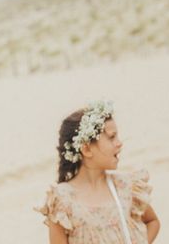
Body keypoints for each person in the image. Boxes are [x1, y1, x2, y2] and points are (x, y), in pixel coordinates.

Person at [36, 101, 160, 244]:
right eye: (112, 137)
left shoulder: (124, 186)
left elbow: (152, 221)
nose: (120, 143)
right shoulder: (62, 201)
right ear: (87, 149)